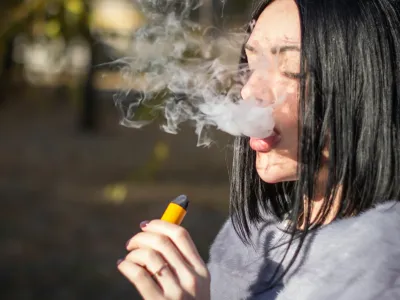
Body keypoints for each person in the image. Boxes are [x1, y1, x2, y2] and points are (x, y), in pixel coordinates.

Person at [117, 0, 400, 299]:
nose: (249, 90)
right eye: (252, 64)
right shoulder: (247, 244)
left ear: (371, 84)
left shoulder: (384, 272)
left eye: (292, 69)